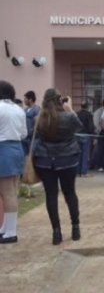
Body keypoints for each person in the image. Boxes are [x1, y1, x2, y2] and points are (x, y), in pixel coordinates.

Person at [33, 89, 82, 245]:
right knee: (70, 193)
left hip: (45, 160)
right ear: (60, 101)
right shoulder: (68, 117)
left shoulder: (39, 118)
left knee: (51, 195)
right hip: (67, 159)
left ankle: (56, 232)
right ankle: (75, 228)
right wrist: (70, 109)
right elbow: (79, 127)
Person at [0, 81, 27, 244]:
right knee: (11, 191)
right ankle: (6, 228)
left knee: (7, 192)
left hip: (3, 149)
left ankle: (10, 232)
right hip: (16, 148)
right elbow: (24, 133)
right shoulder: (18, 109)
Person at [91, 98, 104, 171]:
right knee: (99, 150)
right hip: (100, 134)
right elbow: (96, 123)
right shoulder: (99, 111)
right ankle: (98, 165)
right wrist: (100, 131)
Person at [76, 102, 95, 177]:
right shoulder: (89, 114)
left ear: (81, 106)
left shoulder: (77, 114)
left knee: (79, 154)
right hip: (86, 135)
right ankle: (84, 172)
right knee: (85, 154)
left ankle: (78, 172)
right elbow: (91, 126)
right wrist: (93, 135)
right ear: (88, 106)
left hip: (77, 135)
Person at [22, 90, 40, 155]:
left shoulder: (37, 109)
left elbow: (38, 124)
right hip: (25, 139)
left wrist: (31, 132)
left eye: (25, 99)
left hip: (33, 139)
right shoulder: (25, 110)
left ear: (30, 99)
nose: (24, 100)